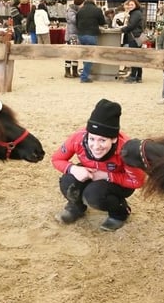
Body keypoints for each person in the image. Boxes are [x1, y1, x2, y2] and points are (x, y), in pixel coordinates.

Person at [51, 98, 145, 231]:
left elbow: (137, 182)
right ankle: (76, 207)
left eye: (102, 140)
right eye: (92, 138)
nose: (96, 146)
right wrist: (74, 169)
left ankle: (120, 213)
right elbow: (56, 159)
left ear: (114, 139)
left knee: (94, 195)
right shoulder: (77, 138)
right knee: (67, 181)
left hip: (118, 181)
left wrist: (106, 175)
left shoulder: (126, 150)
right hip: (90, 173)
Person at [75, 0, 106, 83]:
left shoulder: (80, 10)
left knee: (85, 55)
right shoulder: (97, 10)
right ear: (94, 0)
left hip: (81, 35)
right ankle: (84, 77)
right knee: (90, 57)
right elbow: (102, 22)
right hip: (91, 35)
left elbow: (76, 23)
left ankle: (85, 73)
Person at [120, 0, 145, 83]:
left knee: (134, 57)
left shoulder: (135, 13)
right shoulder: (136, 13)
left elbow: (131, 25)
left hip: (134, 36)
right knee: (137, 57)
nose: (130, 6)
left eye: (132, 4)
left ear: (136, 5)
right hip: (137, 36)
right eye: (129, 4)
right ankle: (138, 76)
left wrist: (122, 29)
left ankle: (133, 76)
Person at [63, 0, 84, 78]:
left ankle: (75, 71)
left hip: (76, 34)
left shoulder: (75, 10)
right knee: (70, 53)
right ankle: (67, 72)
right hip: (72, 35)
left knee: (75, 53)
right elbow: (75, 20)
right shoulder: (71, 11)